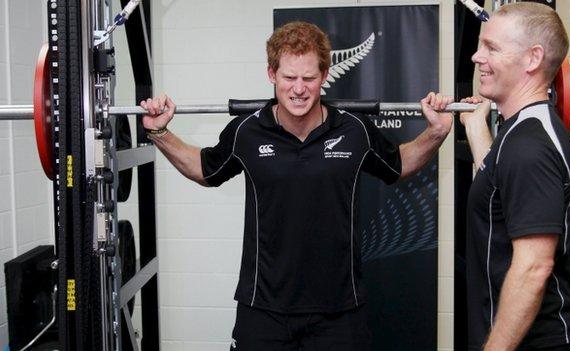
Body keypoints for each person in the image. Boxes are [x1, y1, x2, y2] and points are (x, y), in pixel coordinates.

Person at [140, 21, 452, 350]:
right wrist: (160, 133)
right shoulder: (247, 131)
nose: (299, 89)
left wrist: (436, 132)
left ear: (324, 75)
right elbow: (205, 169)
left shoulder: (355, 130)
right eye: (289, 77)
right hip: (264, 307)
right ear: (271, 74)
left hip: (340, 309)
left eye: (309, 78)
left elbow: (398, 165)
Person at [459, 3, 570, 350]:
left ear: (533, 59)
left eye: (491, 47)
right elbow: (501, 190)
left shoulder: (528, 147)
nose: (476, 56)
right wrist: (475, 129)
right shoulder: (520, 133)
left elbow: (534, 267)